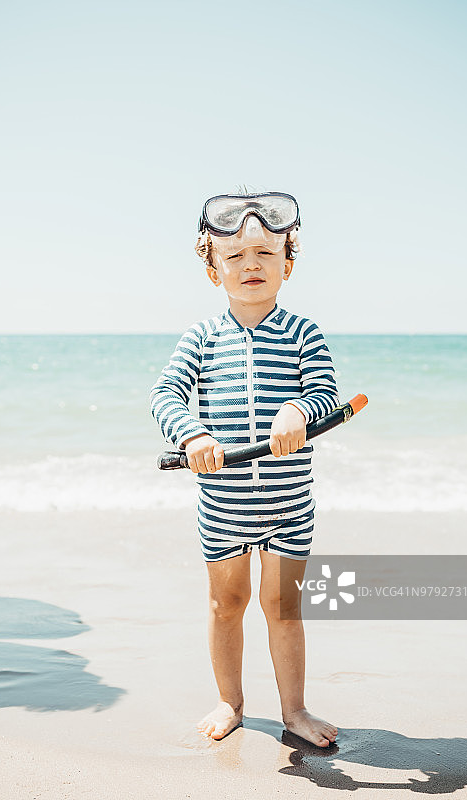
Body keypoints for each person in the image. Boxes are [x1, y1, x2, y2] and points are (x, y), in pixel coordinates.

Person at [149, 191, 339, 747]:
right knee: (225, 604)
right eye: (233, 256)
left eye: (264, 253)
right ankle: (230, 701)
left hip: (289, 505)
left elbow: (326, 394)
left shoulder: (304, 333)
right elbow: (166, 395)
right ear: (212, 270)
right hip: (223, 506)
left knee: (283, 608)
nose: (250, 265)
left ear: (289, 263)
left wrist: (299, 409)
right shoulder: (201, 338)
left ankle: (295, 711)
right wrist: (191, 433)